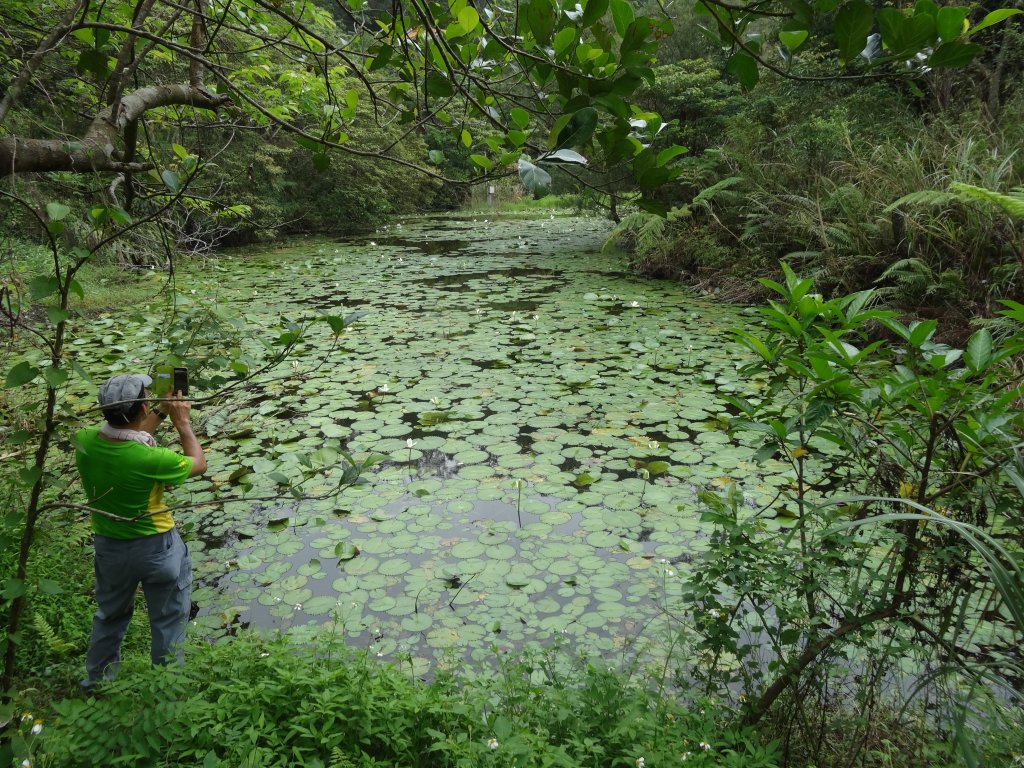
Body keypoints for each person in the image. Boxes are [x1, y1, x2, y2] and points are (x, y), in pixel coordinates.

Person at [75, 372, 207, 689]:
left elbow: (126, 436)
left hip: (111, 549)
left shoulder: (85, 442)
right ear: (141, 407)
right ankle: (166, 689)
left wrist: (160, 411)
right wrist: (182, 422)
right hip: (156, 548)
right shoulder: (153, 459)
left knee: (110, 616)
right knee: (168, 621)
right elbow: (198, 463)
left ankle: (97, 685)